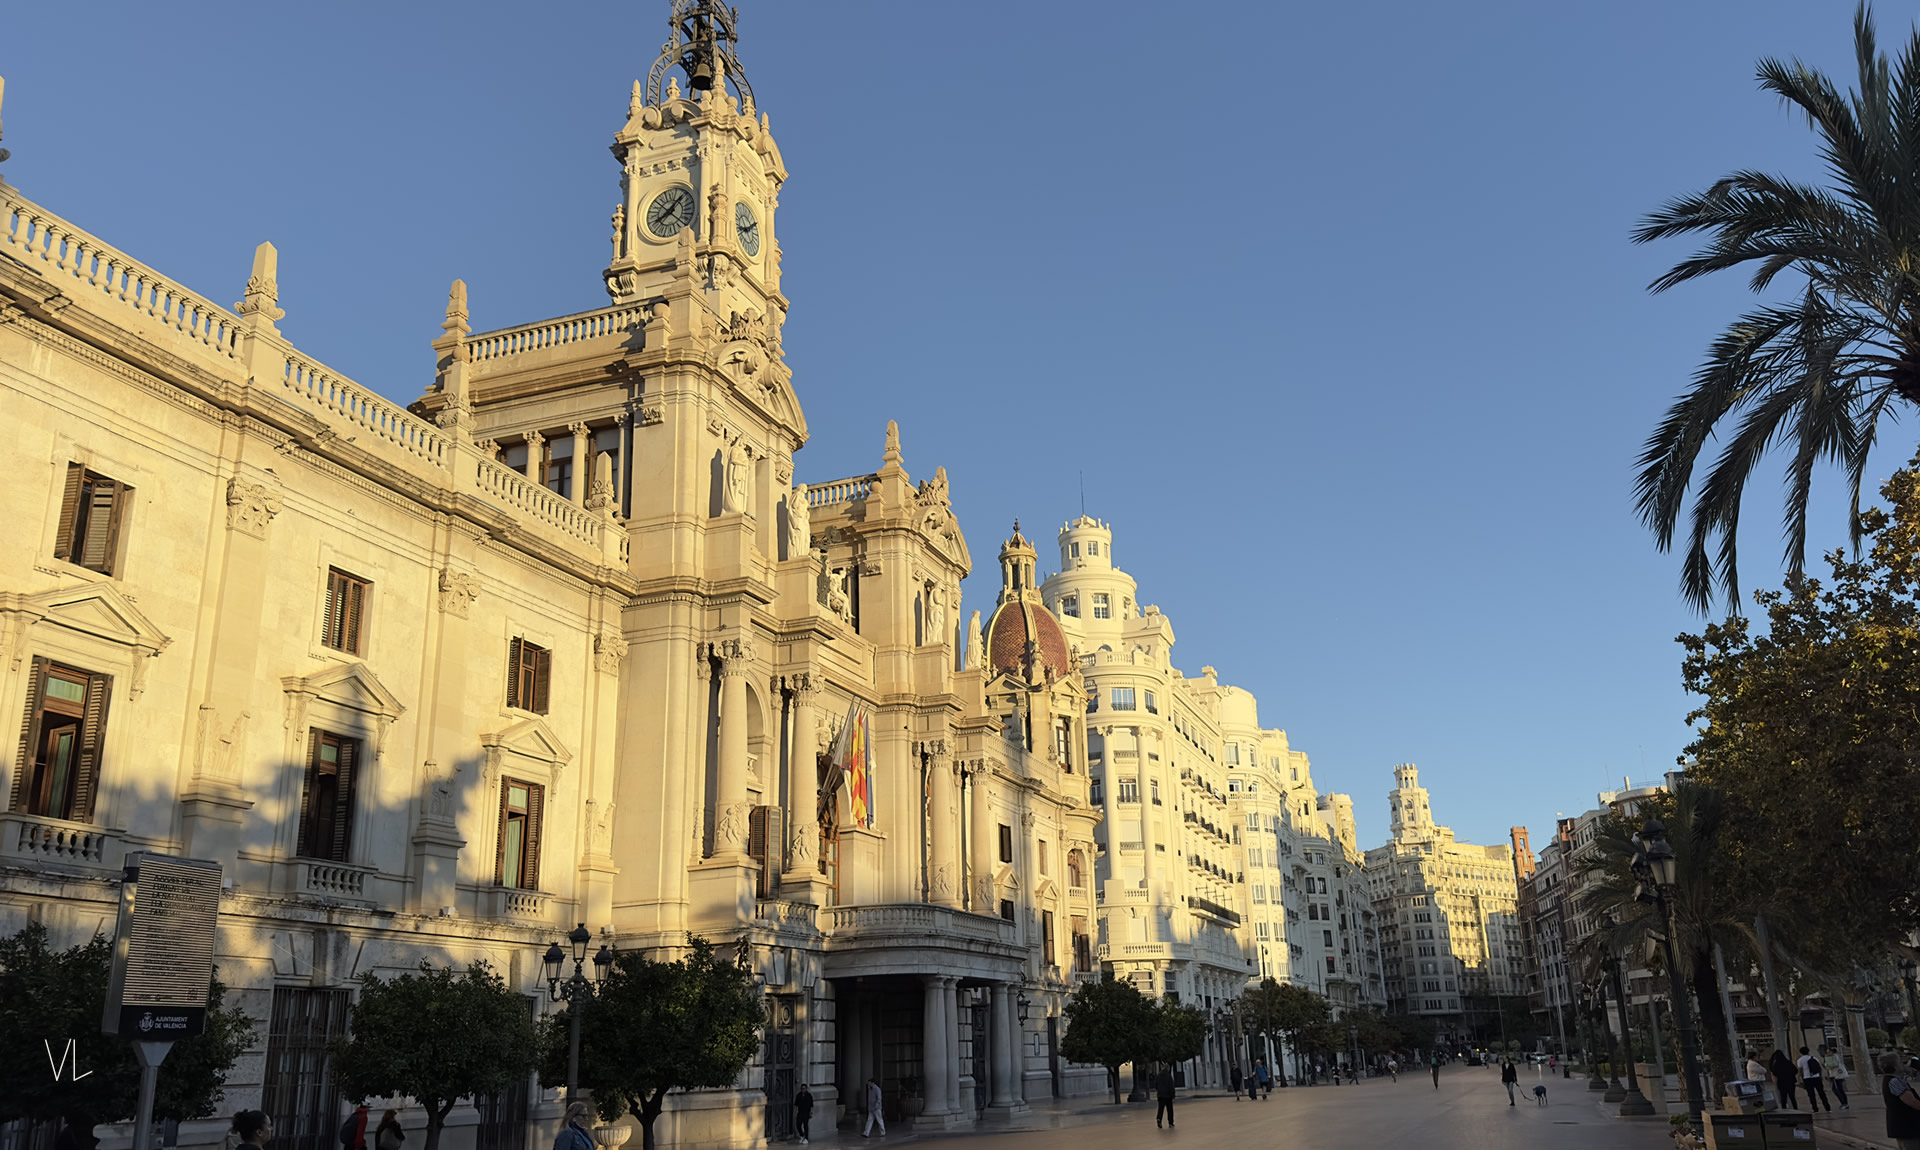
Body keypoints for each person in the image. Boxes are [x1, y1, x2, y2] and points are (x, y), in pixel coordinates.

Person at [1880, 1052, 1920, 1150]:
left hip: (1905, 1127)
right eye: (1900, 1062)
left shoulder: (1894, 1079)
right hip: (1907, 1127)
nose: (1904, 1064)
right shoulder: (1894, 1081)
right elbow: (1913, 1102)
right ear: (1894, 1066)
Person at [1797, 1046, 1830, 1112]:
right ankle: (1827, 1107)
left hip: (1807, 1078)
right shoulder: (1814, 1058)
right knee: (1821, 1093)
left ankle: (1815, 1108)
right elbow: (1819, 1068)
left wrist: (1801, 1078)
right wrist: (1820, 1076)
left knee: (1811, 1095)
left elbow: (1800, 1071)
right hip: (1816, 1077)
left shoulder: (1800, 1060)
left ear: (1801, 1052)